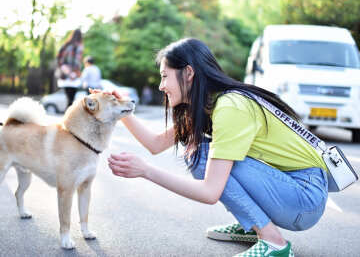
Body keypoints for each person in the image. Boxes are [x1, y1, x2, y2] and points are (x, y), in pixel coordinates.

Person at [102, 38, 328, 257]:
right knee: (201, 154)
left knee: (200, 155)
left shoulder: (231, 106)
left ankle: (274, 242)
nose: (161, 86)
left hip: (303, 199)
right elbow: (156, 143)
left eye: (164, 77)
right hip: (289, 192)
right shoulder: (209, 105)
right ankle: (252, 223)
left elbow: (210, 192)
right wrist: (119, 106)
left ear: (189, 73)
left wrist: (145, 171)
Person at [56, 29, 84, 108]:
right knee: (71, 100)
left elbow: (59, 59)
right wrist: (72, 73)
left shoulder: (65, 45)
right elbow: (76, 62)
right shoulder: (79, 46)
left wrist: (66, 71)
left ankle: (67, 118)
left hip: (64, 76)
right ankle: (69, 118)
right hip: (74, 76)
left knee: (69, 99)